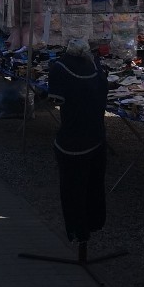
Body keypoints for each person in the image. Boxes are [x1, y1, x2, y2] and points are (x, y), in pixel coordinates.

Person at [47, 38, 109, 243]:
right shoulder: (95, 68)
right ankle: (89, 227)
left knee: (73, 191)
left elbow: (56, 100)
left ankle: (78, 231)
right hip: (97, 139)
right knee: (93, 189)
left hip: (71, 143)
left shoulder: (59, 68)